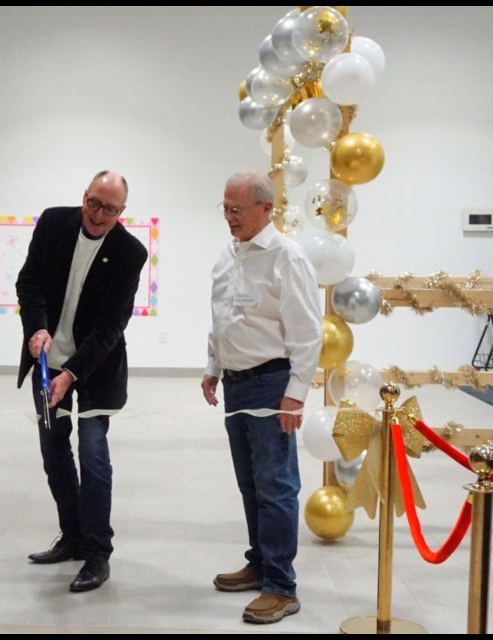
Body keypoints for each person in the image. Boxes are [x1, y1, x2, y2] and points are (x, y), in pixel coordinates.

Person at [15, 170, 148, 593]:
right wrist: (35, 329)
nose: (98, 214)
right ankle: (71, 536)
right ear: (83, 196)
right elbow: (29, 281)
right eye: (94, 202)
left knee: (93, 457)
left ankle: (97, 553)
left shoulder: (130, 253)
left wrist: (72, 373)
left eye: (110, 209)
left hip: (95, 369)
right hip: (45, 362)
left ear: (121, 212)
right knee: (53, 451)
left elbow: (112, 326)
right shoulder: (54, 223)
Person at [201, 171, 322, 624]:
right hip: (236, 383)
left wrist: (296, 396)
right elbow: (222, 319)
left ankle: (281, 586)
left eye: (238, 209)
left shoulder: (286, 258)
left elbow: (308, 333)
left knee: (276, 488)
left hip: (272, 385)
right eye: (225, 208)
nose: (229, 218)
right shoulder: (227, 256)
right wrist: (214, 368)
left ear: (266, 209)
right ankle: (259, 562)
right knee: (251, 484)